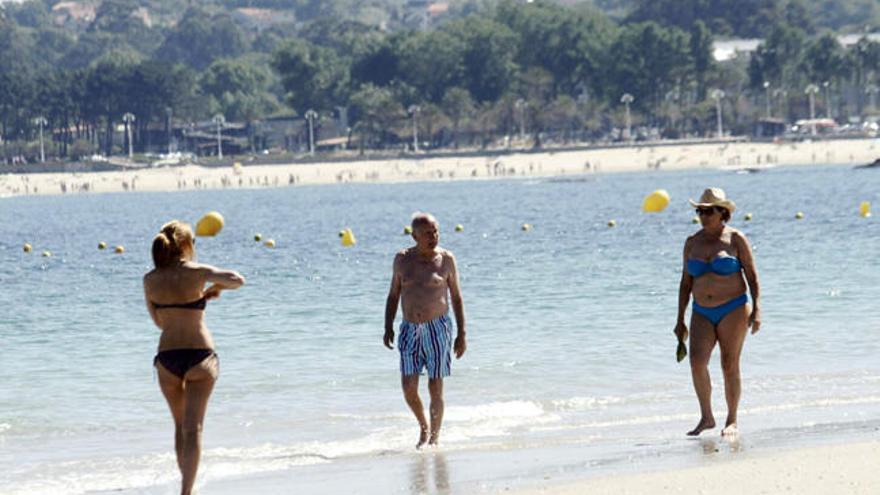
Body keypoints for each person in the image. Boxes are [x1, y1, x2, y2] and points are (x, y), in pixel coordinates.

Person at [143, 220, 244, 495]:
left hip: (167, 358)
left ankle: (187, 488)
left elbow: (159, 322)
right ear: (186, 245)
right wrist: (208, 290)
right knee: (194, 428)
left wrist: (198, 299)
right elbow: (237, 280)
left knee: (180, 426)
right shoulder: (198, 272)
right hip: (200, 355)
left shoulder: (150, 279)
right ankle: (187, 492)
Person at [674, 188, 761, 437]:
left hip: (733, 307)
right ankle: (706, 417)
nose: (702, 215)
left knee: (728, 363)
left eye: (707, 211)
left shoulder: (736, 239)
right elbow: (685, 282)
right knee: (696, 362)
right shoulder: (692, 242)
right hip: (701, 310)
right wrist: (680, 319)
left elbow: (752, 276)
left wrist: (757, 309)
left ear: (722, 212)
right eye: (699, 211)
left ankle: (732, 420)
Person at [384, 212, 467, 448]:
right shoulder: (401, 260)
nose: (434, 237)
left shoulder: (446, 259)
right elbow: (393, 295)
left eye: (436, 232)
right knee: (408, 387)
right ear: (415, 236)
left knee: (435, 385)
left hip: (437, 328)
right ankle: (423, 426)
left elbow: (457, 298)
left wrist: (462, 334)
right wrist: (387, 325)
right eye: (428, 233)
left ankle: (434, 438)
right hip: (409, 328)